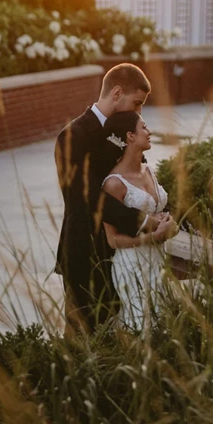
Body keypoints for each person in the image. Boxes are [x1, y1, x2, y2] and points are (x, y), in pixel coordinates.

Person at [54, 63, 154, 334]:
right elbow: (85, 196)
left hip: (122, 254)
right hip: (84, 252)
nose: (139, 112)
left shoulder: (126, 133)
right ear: (117, 93)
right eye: (137, 103)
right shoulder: (72, 135)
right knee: (81, 337)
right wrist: (144, 220)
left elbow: (137, 180)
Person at [101, 111, 178, 330]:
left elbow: (160, 209)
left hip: (157, 259)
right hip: (132, 263)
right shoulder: (114, 184)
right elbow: (112, 240)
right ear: (130, 136)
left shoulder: (149, 170)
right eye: (143, 127)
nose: (149, 131)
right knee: (141, 324)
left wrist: (168, 220)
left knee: (164, 321)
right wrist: (153, 236)